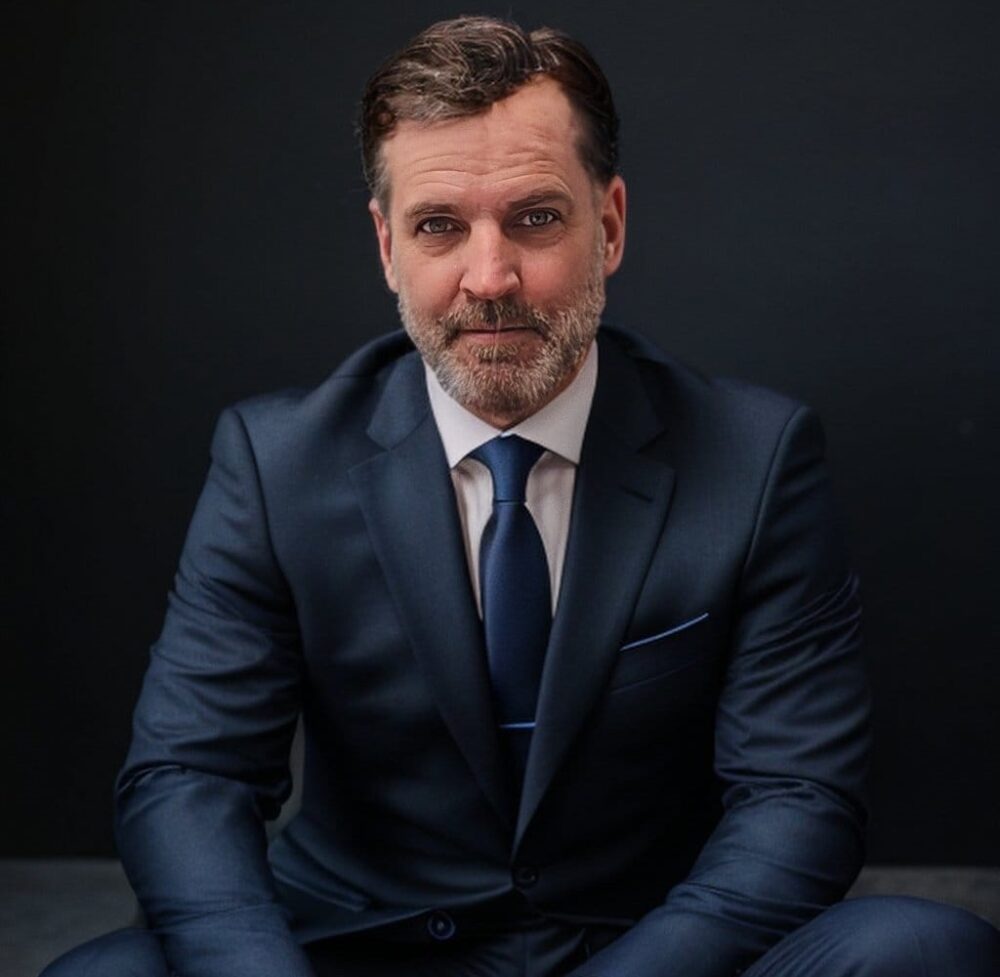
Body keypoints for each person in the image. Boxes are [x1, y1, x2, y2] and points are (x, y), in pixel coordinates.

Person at [43, 15, 1000, 977]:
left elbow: (797, 797)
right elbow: (191, 775)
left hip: (647, 948)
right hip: (360, 947)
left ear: (609, 225)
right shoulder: (276, 460)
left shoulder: (755, 458)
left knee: (925, 950)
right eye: (439, 226)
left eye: (535, 218)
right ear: (387, 246)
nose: (490, 277)